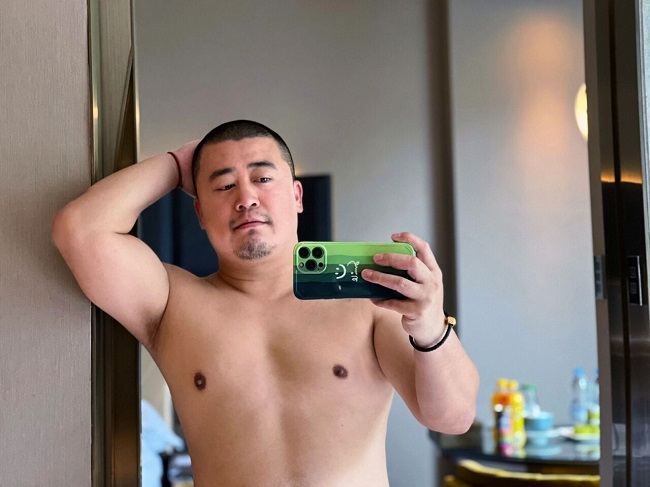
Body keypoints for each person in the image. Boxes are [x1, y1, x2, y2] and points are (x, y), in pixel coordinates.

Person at [52, 120, 479, 486]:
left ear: (297, 196)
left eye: (262, 178)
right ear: (200, 214)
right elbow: (80, 231)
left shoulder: (368, 301)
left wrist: (430, 329)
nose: (246, 198)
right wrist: (176, 163)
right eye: (224, 185)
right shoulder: (171, 304)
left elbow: (453, 417)